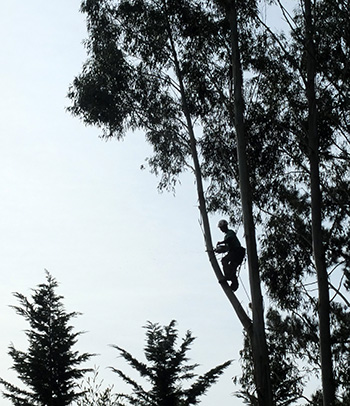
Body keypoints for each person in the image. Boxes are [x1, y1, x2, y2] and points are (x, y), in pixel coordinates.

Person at [215, 219, 245, 291]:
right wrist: (218, 250)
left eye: (222, 228)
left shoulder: (230, 233)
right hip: (237, 253)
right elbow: (227, 248)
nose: (221, 230)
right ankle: (234, 286)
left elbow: (230, 239)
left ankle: (227, 276)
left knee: (224, 260)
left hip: (237, 252)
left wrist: (221, 242)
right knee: (232, 268)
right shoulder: (227, 236)